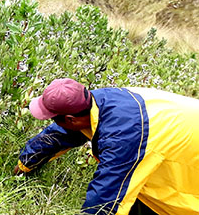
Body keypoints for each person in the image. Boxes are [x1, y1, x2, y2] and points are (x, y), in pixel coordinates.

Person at [14, 78, 199, 215]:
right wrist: (24, 165)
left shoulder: (123, 137)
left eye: (54, 118)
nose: (53, 122)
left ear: (71, 120)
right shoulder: (97, 102)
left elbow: (106, 199)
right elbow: (59, 134)